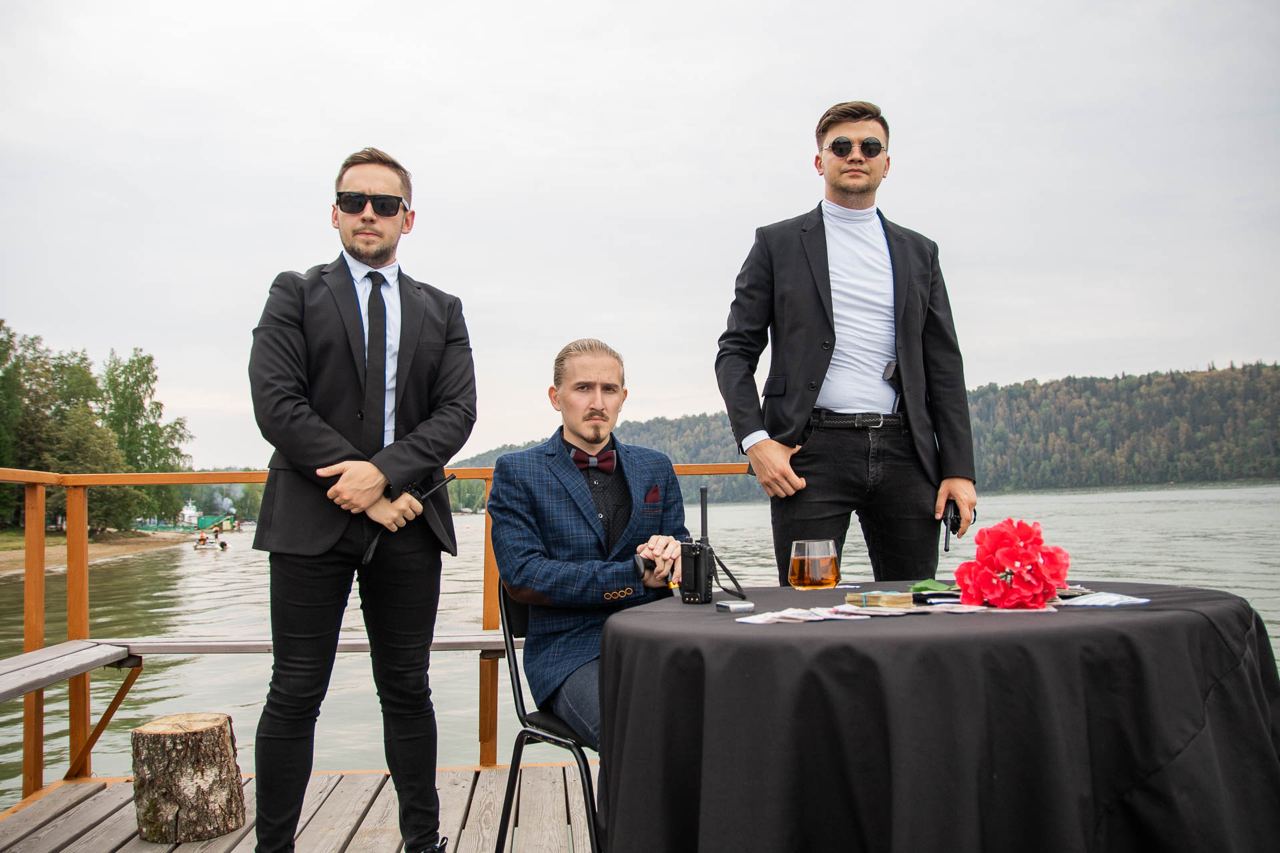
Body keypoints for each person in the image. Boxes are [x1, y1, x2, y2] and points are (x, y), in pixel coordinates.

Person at [248, 147, 476, 853]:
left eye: (383, 203)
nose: (368, 214)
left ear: (409, 217)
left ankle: (423, 842)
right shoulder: (293, 293)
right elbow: (276, 403)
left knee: (407, 688)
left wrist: (383, 477)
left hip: (407, 521)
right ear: (335, 213)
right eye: (354, 202)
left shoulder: (442, 309)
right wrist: (365, 486)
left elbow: (457, 413)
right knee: (295, 690)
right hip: (309, 518)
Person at [715, 100, 977, 584]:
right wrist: (756, 442)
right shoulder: (777, 244)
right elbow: (735, 352)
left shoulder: (919, 252)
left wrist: (959, 469)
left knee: (912, 603)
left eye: (870, 146)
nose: (856, 154)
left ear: (886, 163)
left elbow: (944, 365)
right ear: (820, 161)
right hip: (810, 455)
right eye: (841, 146)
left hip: (907, 454)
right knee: (808, 602)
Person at [487, 338, 687, 754]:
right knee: (636, 735)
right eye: (583, 388)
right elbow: (523, 577)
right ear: (555, 397)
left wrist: (680, 555)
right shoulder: (517, 472)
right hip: (569, 654)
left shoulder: (655, 467)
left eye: (609, 389)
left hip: (659, 642)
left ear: (623, 398)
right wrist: (634, 573)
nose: (597, 402)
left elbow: (682, 545)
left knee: (734, 712)